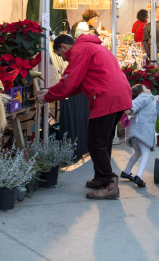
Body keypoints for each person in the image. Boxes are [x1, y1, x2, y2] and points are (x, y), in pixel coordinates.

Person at [36, 34, 132, 200]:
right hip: (119, 94)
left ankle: (109, 182)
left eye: (60, 55)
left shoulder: (79, 51)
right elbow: (77, 84)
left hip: (106, 96)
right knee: (103, 140)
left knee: (95, 142)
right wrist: (52, 92)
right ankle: (101, 178)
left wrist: (48, 95)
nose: (64, 60)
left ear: (64, 47)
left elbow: (69, 82)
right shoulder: (91, 47)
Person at [121, 84, 159, 188]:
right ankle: (139, 176)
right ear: (141, 92)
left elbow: (156, 112)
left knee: (138, 152)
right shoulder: (145, 97)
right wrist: (130, 109)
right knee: (146, 152)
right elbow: (136, 103)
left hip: (135, 131)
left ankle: (127, 171)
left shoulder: (148, 102)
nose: (149, 88)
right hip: (141, 131)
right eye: (146, 88)